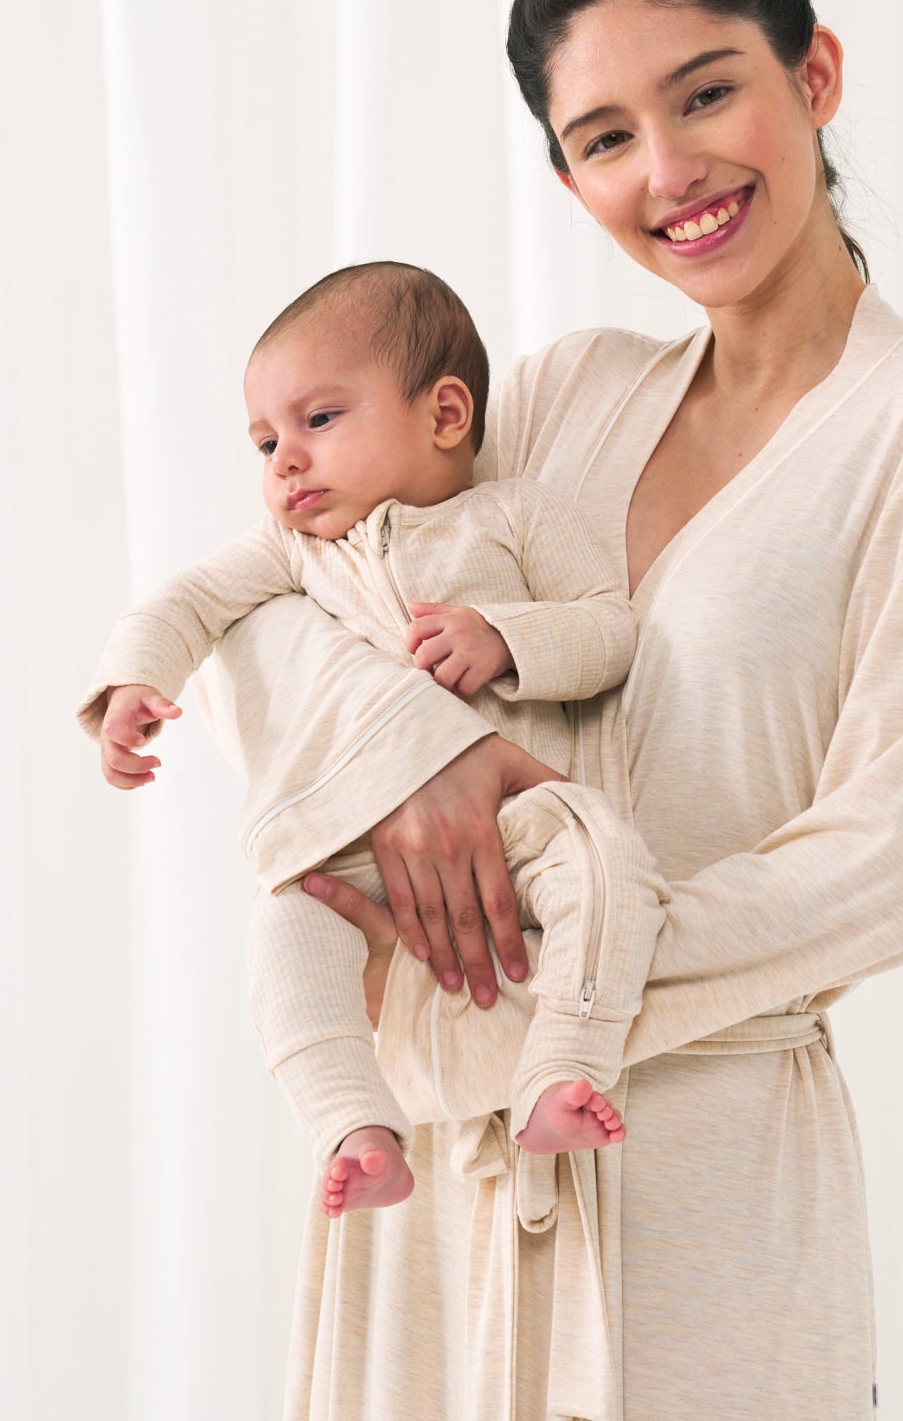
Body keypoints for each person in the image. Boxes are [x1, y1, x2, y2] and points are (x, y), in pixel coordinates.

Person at [197, 0, 903, 1421]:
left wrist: (559, 966)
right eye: (602, 138)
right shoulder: (566, 392)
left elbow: (896, 862)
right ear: (566, 173)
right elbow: (294, 586)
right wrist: (410, 764)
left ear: (816, 75)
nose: (669, 169)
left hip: (692, 1174)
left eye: (707, 94)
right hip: (433, 1155)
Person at [76, 261, 668, 1209]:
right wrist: (134, 681)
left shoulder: (513, 517)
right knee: (285, 933)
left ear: (443, 416)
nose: (283, 461)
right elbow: (187, 600)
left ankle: (563, 1069)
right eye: (264, 439)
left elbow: (609, 626)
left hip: (517, 819)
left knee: (610, 864)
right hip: (353, 839)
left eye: (317, 421)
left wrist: (507, 637)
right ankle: (350, 1123)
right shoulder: (295, 553)